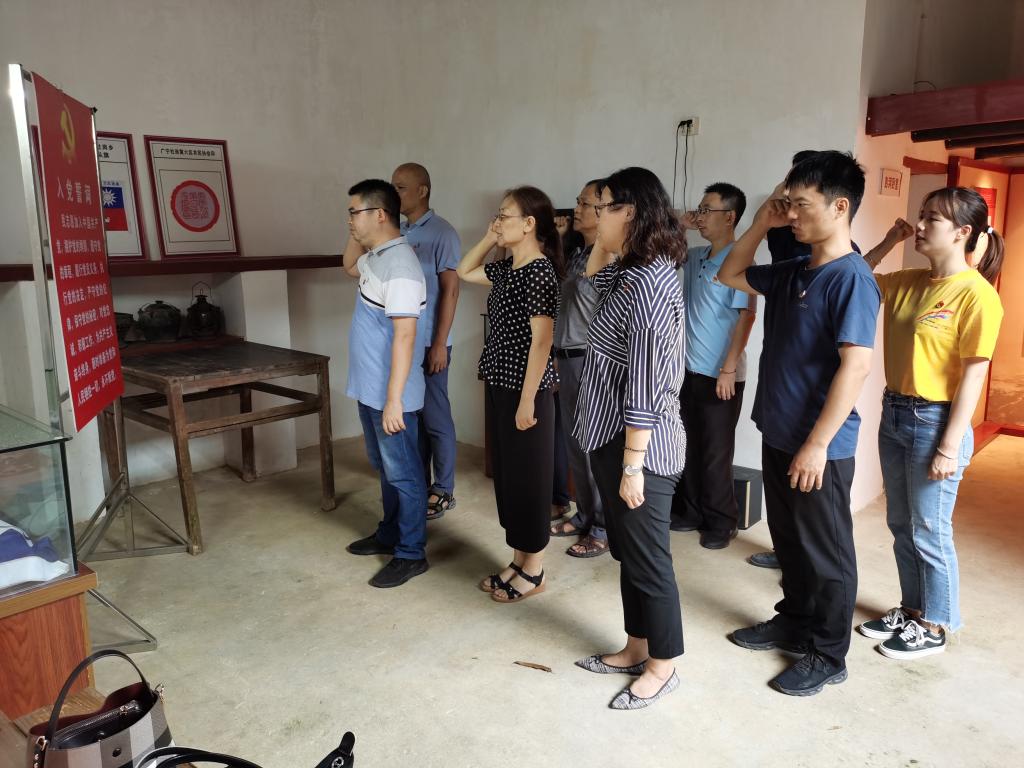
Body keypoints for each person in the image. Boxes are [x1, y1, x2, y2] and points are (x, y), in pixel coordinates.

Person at [718, 151, 881, 696]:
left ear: (840, 207)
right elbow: (728, 273)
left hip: (820, 446)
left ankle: (828, 654)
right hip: (780, 431)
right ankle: (793, 619)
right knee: (788, 540)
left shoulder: (851, 279)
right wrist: (760, 223)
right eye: (787, 204)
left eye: (801, 205)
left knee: (826, 553)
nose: (791, 215)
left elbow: (857, 366)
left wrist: (817, 444)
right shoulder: (793, 271)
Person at [857, 188, 1004, 659]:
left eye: (932, 219)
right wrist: (888, 239)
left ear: (963, 232)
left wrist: (949, 445)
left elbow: (974, 376)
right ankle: (913, 608)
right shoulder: (909, 281)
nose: (920, 225)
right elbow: (855, 277)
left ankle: (936, 624)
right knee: (901, 523)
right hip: (895, 411)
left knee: (929, 528)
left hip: (935, 421)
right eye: (921, 215)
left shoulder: (977, 295)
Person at [572, 167, 687, 710]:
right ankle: (636, 646)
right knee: (630, 553)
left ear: (632, 213)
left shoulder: (647, 284)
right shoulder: (631, 270)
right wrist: (604, 234)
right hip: (611, 436)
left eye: (604, 207)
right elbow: (591, 276)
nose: (594, 217)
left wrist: (633, 464)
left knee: (649, 558)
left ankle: (662, 666)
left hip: (638, 445)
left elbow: (644, 382)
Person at [457, 186, 563, 604]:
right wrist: (490, 237)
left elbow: (542, 342)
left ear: (529, 223)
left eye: (504, 216)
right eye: (497, 216)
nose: (498, 222)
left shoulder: (538, 271)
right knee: (510, 478)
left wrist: (527, 400)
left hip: (526, 391)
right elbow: (465, 270)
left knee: (530, 479)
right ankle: (519, 560)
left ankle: (534, 570)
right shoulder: (508, 269)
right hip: (501, 383)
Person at [341, 179, 430, 588]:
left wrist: (394, 400)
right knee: (386, 469)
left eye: (354, 212)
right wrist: (356, 232)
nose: (349, 220)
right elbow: (348, 266)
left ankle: (411, 553)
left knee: (405, 474)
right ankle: (390, 532)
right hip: (371, 389)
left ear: (379, 214)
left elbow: (406, 336)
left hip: (391, 395)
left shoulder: (401, 267)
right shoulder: (378, 257)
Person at [671, 182, 757, 549]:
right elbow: (661, 244)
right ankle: (690, 512)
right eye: (700, 209)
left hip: (722, 374)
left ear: (730, 217)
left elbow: (746, 316)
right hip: (688, 371)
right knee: (687, 446)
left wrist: (728, 369)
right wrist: (682, 224)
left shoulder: (741, 259)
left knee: (715, 453)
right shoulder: (696, 256)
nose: (701, 216)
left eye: (708, 210)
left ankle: (722, 522)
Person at [390, 163, 462, 521]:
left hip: (431, 342)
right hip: (404, 344)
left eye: (401, 187)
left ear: (422, 191)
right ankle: (420, 483)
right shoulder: (398, 232)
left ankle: (444, 489)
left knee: (436, 418)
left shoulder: (442, 232)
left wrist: (439, 344)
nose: (394, 194)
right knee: (412, 418)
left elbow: (450, 291)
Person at [549, 179, 610, 558]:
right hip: (567, 359)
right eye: (578, 202)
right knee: (575, 446)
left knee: (593, 449)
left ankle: (602, 526)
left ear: (604, 210)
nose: (577, 209)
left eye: (585, 204)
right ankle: (585, 514)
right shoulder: (578, 254)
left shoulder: (610, 259)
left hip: (591, 361)